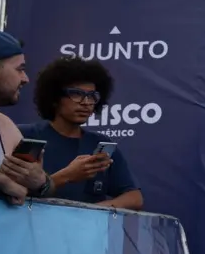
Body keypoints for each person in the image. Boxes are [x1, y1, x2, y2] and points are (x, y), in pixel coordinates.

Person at [19, 57, 143, 210]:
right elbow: (10, 193)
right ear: (54, 98)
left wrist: (90, 212)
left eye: (92, 96)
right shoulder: (25, 135)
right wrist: (67, 176)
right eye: (76, 94)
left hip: (86, 232)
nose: (86, 102)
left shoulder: (100, 143)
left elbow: (134, 198)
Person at [0, 30, 50, 204]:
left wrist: (40, 182)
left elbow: (37, 188)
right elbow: (5, 183)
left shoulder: (3, 125)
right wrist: (0, 180)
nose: (25, 79)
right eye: (20, 69)